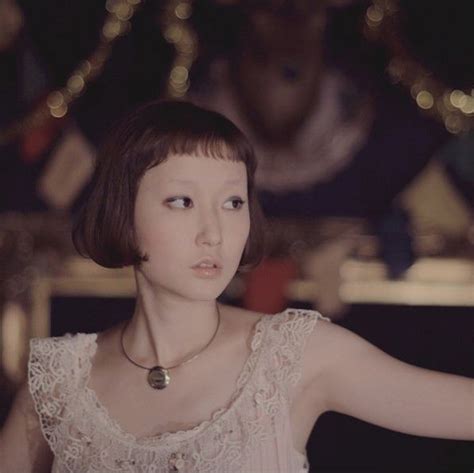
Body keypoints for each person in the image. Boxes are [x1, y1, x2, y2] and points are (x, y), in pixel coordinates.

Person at [0, 100, 472, 473]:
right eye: (182, 201)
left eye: (232, 202)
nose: (214, 233)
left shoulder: (294, 355)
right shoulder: (58, 383)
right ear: (123, 213)